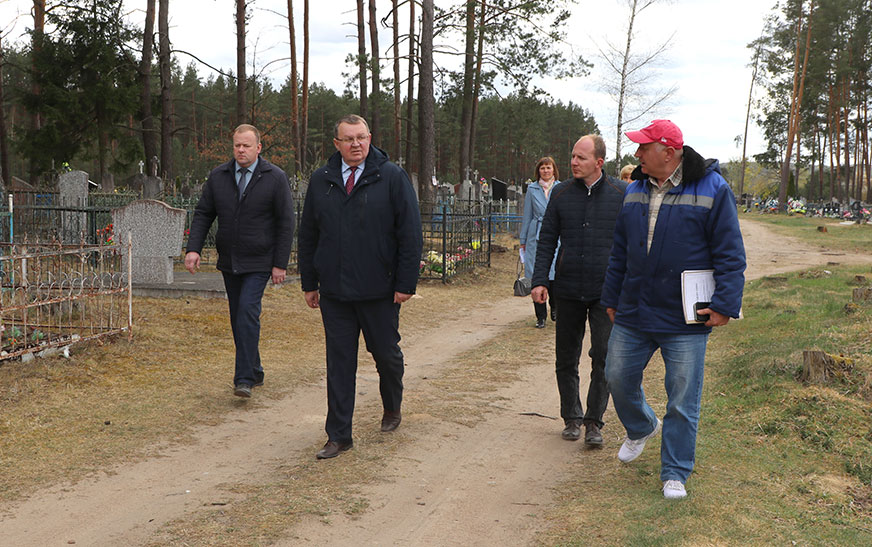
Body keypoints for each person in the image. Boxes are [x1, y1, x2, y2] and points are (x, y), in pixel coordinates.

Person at [601, 119, 746, 499]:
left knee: (682, 396)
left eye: (644, 147)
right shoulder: (634, 189)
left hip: (685, 316)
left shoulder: (713, 188)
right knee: (615, 375)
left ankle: (675, 472)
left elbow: (730, 253)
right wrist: (611, 297)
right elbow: (620, 250)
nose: (637, 154)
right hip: (634, 308)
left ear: (668, 151)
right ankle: (642, 426)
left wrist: (725, 304)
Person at [298, 114, 423, 460]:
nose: (355, 144)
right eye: (348, 139)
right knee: (339, 363)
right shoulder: (322, 180)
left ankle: (392, 404)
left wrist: (405, 282)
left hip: (380, 290)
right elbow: (308, 234)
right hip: (335, 291)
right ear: (336, 144)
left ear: (370, 138)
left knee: (385, 354)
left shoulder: (391, 177)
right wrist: (310, 281)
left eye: (361, 137)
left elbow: (410, 235)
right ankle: (339, 436)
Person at [185, 124, 295, 399]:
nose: (241, 150)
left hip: (259, 260)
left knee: (246, 310)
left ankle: (243, 378)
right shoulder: (219, 176)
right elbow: (203, 214)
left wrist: (280, 263)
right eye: (237, 145)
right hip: (230, 260)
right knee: (239, 317)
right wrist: (193, 249)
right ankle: (255, 368)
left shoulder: (274, 177)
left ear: (258, 148)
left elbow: (286, 222)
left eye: (247, 145)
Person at [531, 135, 627, 447]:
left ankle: (594, 421)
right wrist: (539, 280)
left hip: (606, 291)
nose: (573, 162)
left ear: (599, 162)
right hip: (568, 287)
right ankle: (571, 416)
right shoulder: (560, 194)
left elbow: (631, 244)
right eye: (572, 156)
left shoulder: (620, 194)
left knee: (604, 356)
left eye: (581, 158)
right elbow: (546, 240)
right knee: (566, 356)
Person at [520, 157, 559, 328]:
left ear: (553, 170)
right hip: (536, 234)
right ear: (538, 171)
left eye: (548, 167)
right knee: (538, 275)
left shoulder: (561, 187)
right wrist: (523, 240)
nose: (545, 171)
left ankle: (556, 308)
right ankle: (540, 316)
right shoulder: (532, 189)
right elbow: (527, 215)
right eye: (542, 168)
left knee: (556, 275)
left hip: (557, 234)